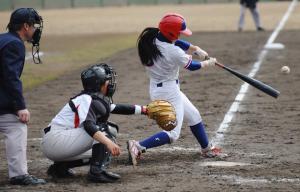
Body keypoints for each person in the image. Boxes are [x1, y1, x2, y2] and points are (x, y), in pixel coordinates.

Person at [127, 13, 227, 166]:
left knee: (194, 115)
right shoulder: (172, 52)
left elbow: (177, 41)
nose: (180, 34)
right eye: (178, 32)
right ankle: (138, 146)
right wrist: (208, 63)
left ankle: (206, 148)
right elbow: (192, 66)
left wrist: (195, 48)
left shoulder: (154, 38)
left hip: (162, 87)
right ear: (171, 33)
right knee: (173, 134)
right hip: (168, 92)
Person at [41, 63, 149, 183]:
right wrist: (108, 142)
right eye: (107, 81)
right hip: (56, 141)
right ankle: (96, 172)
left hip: (58, 142)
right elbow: (88, 125)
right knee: (105, 131)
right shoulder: (86, 99)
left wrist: (145, 110)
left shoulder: (90, 98)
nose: (110, 83)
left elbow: (117, 108)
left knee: (101, 151)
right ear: (99, 84)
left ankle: (60, 168)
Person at [0, 8, 45, 185]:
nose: (36, 30)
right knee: (16, 125)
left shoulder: (3, 39)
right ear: (25, 26)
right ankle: (19, 174)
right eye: (33, 26)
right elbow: (11, 78)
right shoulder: (14, 44)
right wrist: (19, 106)